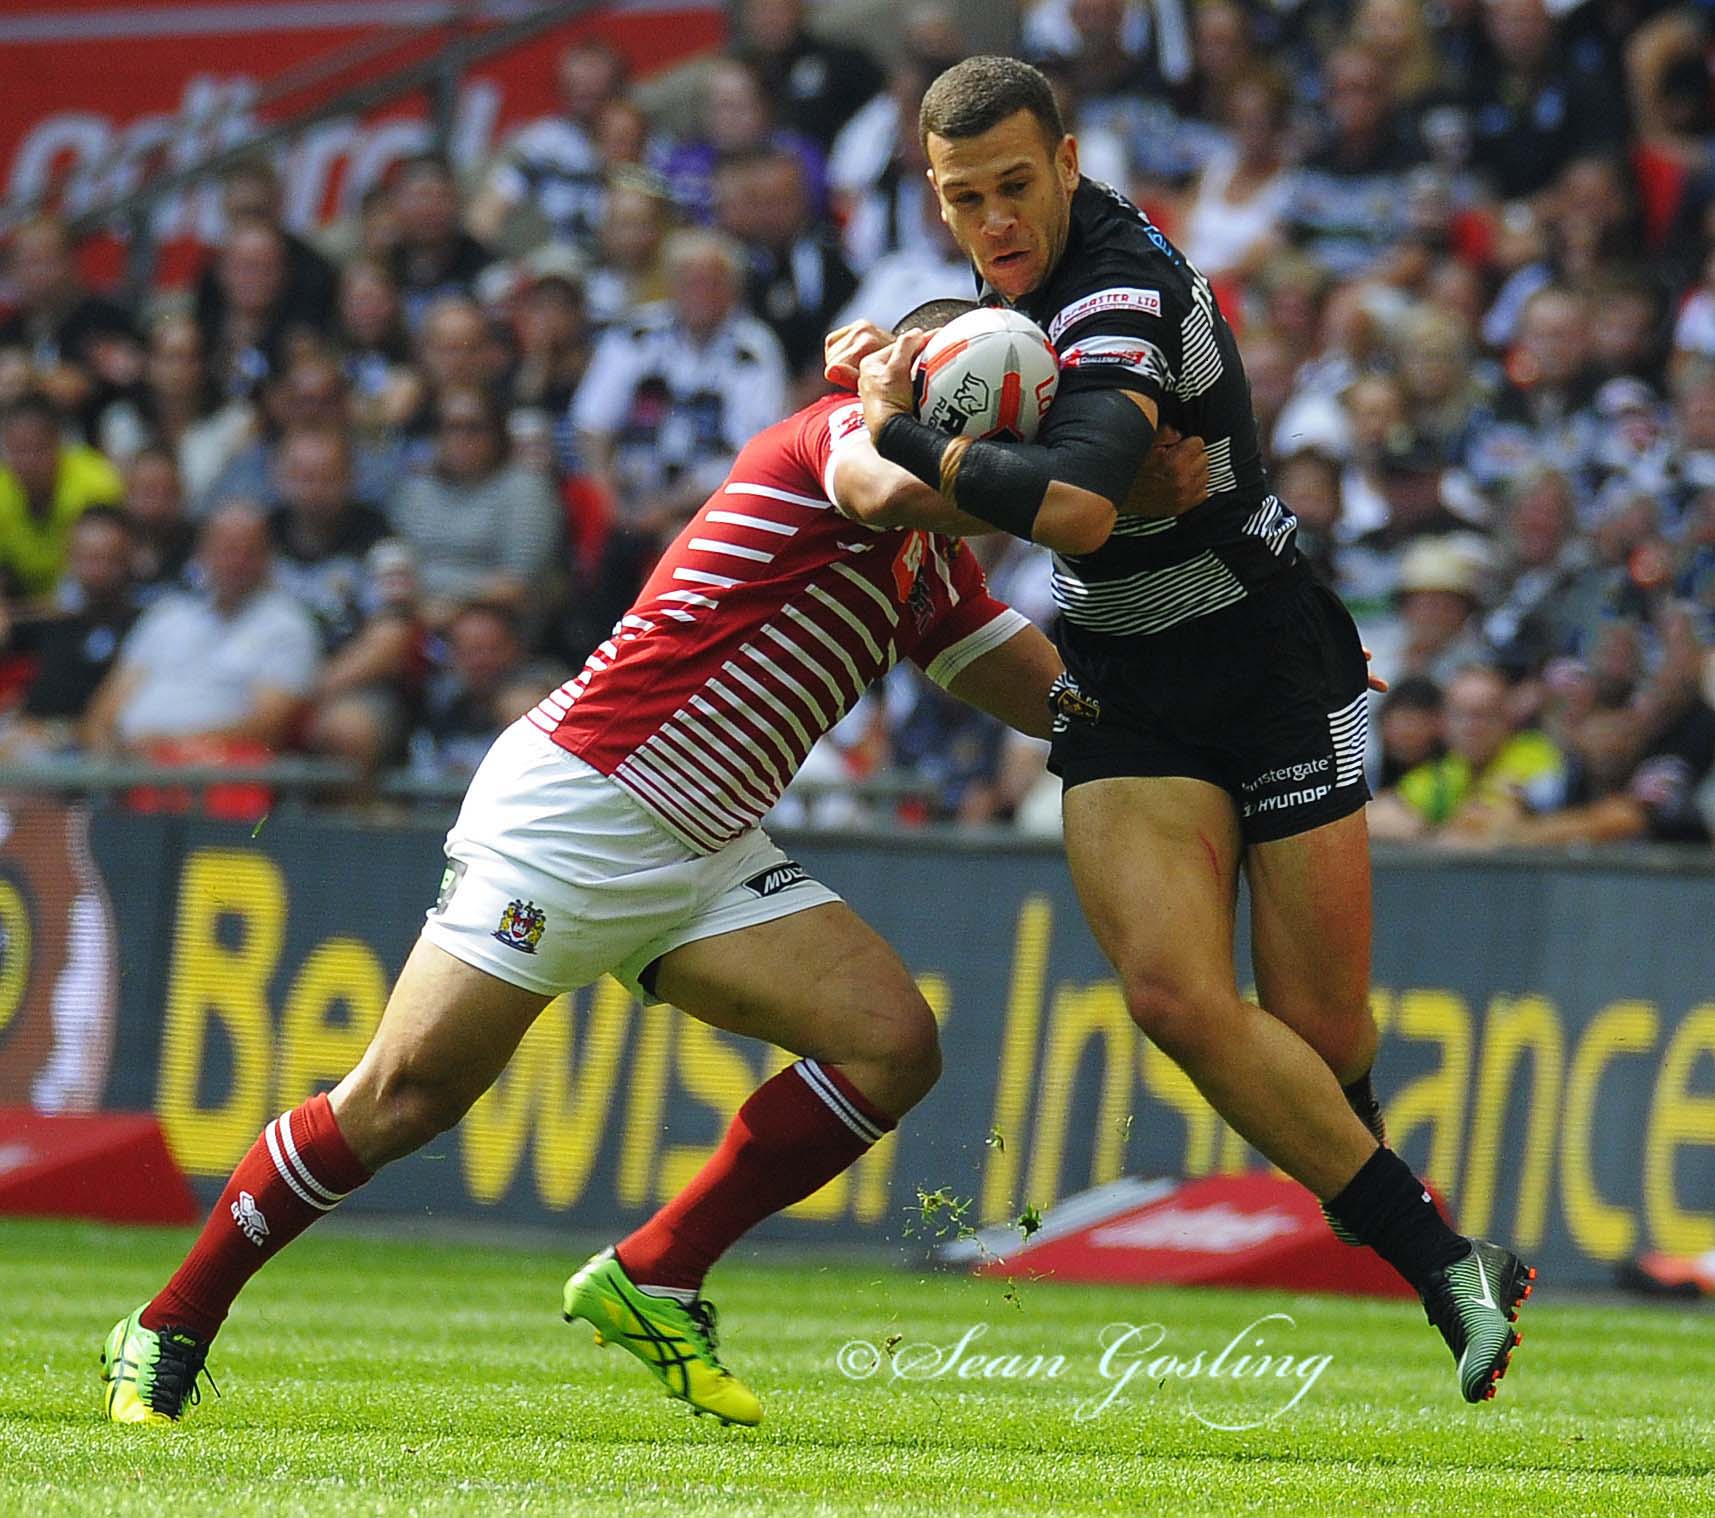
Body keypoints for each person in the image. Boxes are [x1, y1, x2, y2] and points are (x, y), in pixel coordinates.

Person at [96, 297, 1202, 1429]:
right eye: (991, 431)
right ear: (912, 386)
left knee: (889, 1044)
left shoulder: (928, 562)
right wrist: (1078, 485)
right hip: (579, 808)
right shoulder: (831, 437)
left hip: (706, 846)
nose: (1005, 460)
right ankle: (168, 1324)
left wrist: (1179, 727)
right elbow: (884, 487)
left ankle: (656, 1272)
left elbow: (1037, 691)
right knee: (400, 1100)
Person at [834, 55, 1533, 1405]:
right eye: (963, 197)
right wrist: (900, 390)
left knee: (1316, 1033)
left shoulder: (1120, 292)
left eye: (1014, 185)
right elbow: (995, 475)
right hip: (1123, 676)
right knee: (1168, 995)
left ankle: (1368, 1181)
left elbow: (1074, 509)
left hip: (1265, 662)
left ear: (1069, 160)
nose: (992, 221)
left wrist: (901, 437)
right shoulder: (997, 297)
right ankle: (1443, 1258)